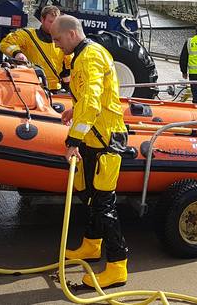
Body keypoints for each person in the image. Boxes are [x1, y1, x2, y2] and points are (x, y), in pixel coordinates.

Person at [51, 15, 129, 288]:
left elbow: (94, 103)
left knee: (105, 205)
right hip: (96, 137)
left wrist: (73, 140)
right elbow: (93, 95)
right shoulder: (90, 53)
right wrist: (75, 108)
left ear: (72, 34)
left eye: (58, 40)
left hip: (106, 139)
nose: (57, 45)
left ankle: (118, 266)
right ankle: (92, 245)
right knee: (91, 197)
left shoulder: (88, 58)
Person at [0, 5, 71, 91]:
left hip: (55, 89)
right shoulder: (28, 35)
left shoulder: (63, 40)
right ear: (42, 19)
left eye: (55, 22)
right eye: (50, 22)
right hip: (32, 86)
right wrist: (17, 53)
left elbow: (69, 65)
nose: (53, 25)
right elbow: (5, 43)